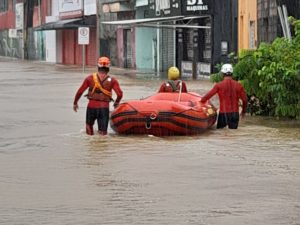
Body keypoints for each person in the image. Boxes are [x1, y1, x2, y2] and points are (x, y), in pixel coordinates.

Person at [73, 56, 123, 135]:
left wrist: (75, 103)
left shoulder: (89, 78)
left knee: (89, 128)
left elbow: (80, 92)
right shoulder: (113, 81)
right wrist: (116, 103)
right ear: (108, 67)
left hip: (91, 108)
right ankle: (101, 146)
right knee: (103, 133)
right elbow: (120, 94)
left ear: (98, 67)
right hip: (104, 109)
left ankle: (91, 145)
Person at [200, 63, 247, 129]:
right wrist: (244, 111)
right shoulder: (238, 85)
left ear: (222, 74)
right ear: (232, 73)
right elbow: (245, 100)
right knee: (233, 134)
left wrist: (200, 101)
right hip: (235, 114)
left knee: (221, 134)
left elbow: (207, 97)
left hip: (223, 113)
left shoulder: (219, 85)